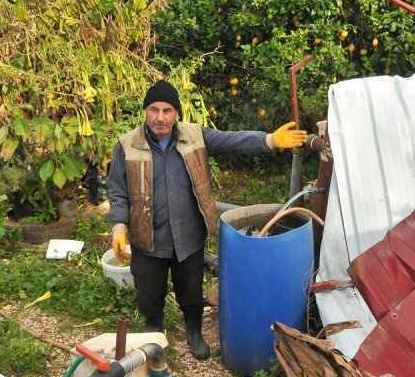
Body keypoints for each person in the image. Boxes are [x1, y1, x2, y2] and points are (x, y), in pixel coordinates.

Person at [106, 79, 307, 360]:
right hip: (148, 238)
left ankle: (194, 330)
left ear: (176, 112)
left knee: (191, 292)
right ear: (146, 112)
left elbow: (232, 140)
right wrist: (118, 226)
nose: (160, 117)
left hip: (188, 236)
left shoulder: (195, 136)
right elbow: (117, 189)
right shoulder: (127, 145)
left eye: (167, 110)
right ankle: (154, 330)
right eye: (154, 110)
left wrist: (270, 140)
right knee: (149, 295)